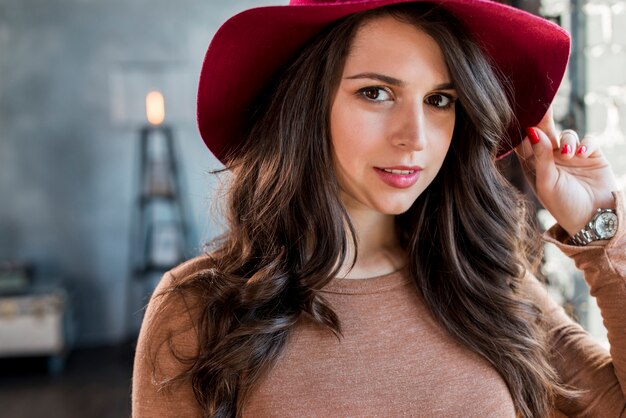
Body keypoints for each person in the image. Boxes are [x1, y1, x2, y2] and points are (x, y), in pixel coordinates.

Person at [132, 0, 625, 417]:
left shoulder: (486, 278)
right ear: (305, 105)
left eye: (439, 100)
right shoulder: (198, 309)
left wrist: (598, 225)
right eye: (376, 93)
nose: (414, 137)